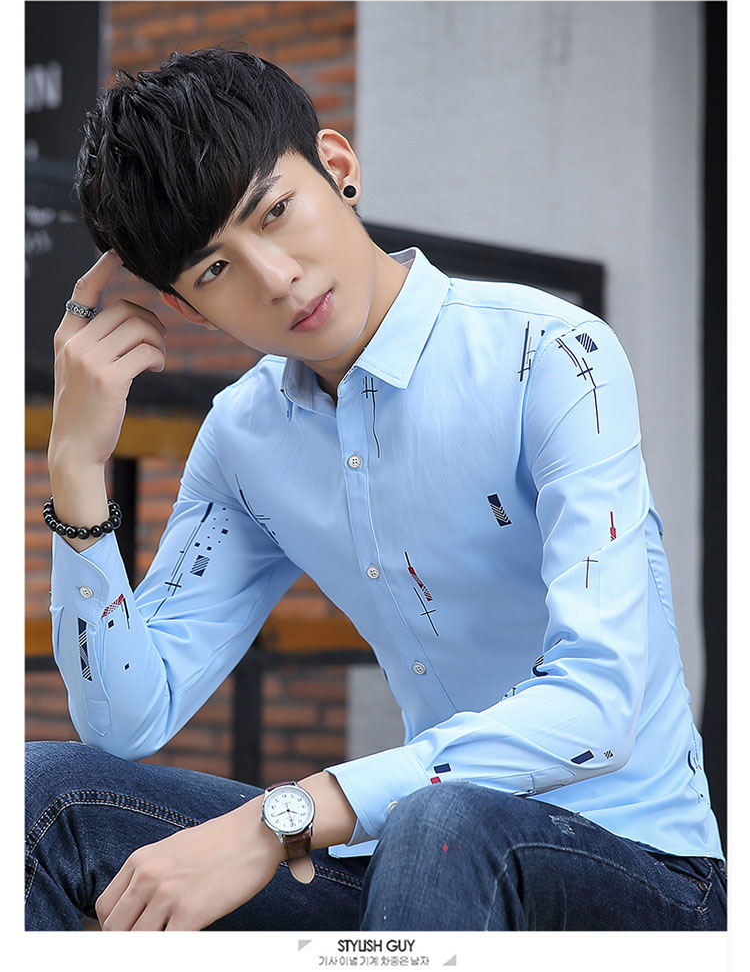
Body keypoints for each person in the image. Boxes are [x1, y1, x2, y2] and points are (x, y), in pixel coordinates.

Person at [25, 46, 726, 932]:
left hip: (644, 868)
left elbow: (601, 704)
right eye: (215, 271)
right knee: (40, 797)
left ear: (338, 167)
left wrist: (283, 817)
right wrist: (76, 471)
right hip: (413, 855)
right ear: (192, 309)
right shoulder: (246, 437)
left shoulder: (550, 355)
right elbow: (129, 717)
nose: (276, 278)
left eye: (276, 212)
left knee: (442, 824)